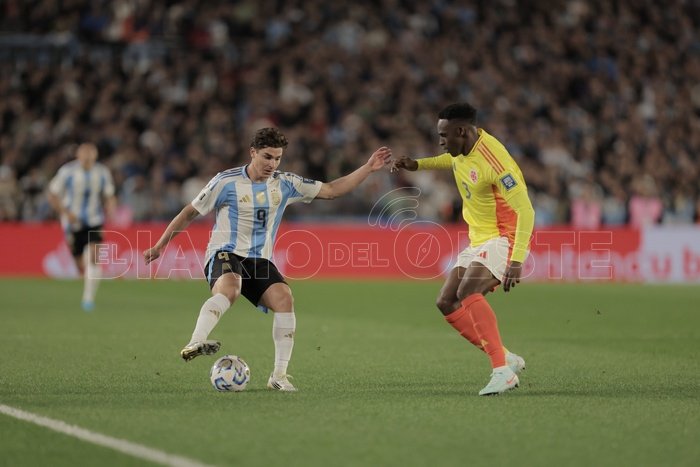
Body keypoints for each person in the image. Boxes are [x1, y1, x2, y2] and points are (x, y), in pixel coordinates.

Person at [143, 128, 391, 392]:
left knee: (284, 298)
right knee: (230, 289)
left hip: (259, 259)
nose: (272, 164)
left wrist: (368, 168)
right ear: (253, 153)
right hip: (225, 252)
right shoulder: (225, 182)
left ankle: (279, 376)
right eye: (267, 157)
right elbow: (189, 213)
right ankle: (196, 341)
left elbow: (331, 190)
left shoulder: (285, 183)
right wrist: (160, 245)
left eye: (277, 158)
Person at [390, 103, 535, 395]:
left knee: (468, 291)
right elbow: (450, 161)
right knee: (446, 301)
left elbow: (526, 210)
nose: (440, 141)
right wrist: (417, 165)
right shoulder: (463, 150)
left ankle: (501, 371)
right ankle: (505, 356)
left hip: (503, 237)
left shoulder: (496, 162)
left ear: (461, 131)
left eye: (444, 136)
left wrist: (517, 259)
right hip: (479, 239)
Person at [47, 142, 117, 311]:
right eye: (84, 154)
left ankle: (88, 299)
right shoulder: (67, 171)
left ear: (95, 156)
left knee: (94, 256)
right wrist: (65, 212)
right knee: (80, 263)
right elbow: (52, 194)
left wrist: (111, 206)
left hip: (94, 220)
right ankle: (86, 277)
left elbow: (109, 194)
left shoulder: (102, 172)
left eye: (90, 154)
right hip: (72, 222)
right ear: (78, 156)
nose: (87, 158)